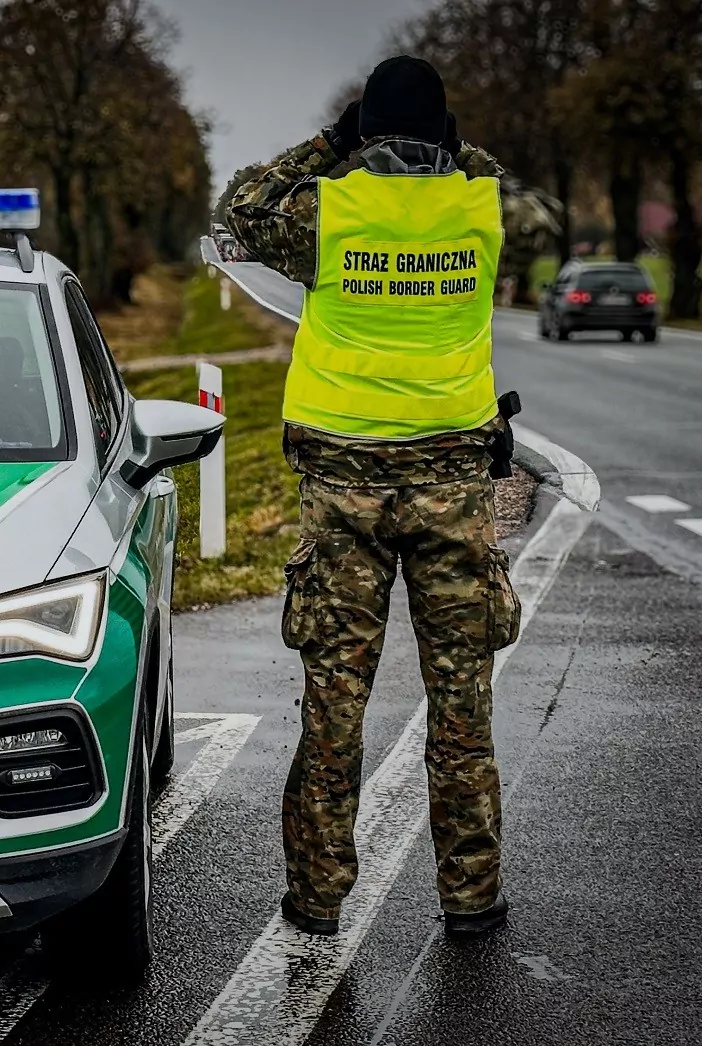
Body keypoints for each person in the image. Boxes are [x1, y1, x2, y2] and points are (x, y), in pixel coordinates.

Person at [227, 55, 546, 937]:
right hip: (453, 488)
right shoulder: (483, 208)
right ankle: (471, 897)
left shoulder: (326, 213)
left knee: (335, 701)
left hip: (343, 491)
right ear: (446, 132)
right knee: (463, 703)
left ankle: (317, 897)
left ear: (362, 131)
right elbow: (529, 203)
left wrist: (329, 145)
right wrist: (458, 149)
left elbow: (242, 208)